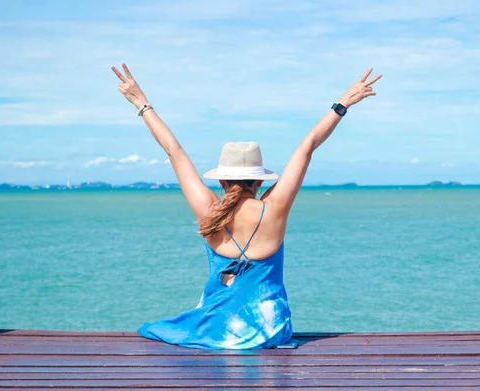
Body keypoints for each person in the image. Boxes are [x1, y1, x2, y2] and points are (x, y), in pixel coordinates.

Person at [111, 63, 382, 349]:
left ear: (222, 181)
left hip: (218, 329)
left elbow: (174, 151)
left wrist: (141, 103)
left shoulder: (209, 210)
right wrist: (342, 104)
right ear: (260, 182)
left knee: (158, 328)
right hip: (270, 329)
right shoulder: (274, 208)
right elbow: (308, 146)